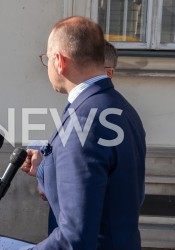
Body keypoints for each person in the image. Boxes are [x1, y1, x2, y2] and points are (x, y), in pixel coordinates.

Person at [6, 17, 146, 250]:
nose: (48, 67)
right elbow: (109, 188)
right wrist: (46, 170)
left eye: (47, 59)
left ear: (59, 61)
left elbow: (76, 237)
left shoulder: (86, 119)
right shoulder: (119, 107)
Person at [34, 39, 120, 235]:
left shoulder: (96, 115)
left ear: (108, 73)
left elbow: (82, 190)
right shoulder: (80, 106)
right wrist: (43, 168)